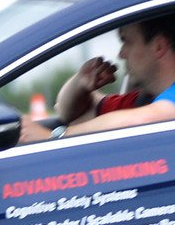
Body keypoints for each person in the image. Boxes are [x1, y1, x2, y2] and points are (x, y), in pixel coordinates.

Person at [20, 13, 175, 144]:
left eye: (127, 41)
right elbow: (68, 112)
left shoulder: (156, 111)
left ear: (159, 47)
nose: (121, 54)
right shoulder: (141, 103)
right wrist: (80, 83)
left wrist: (52, 137)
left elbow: (149, 119)